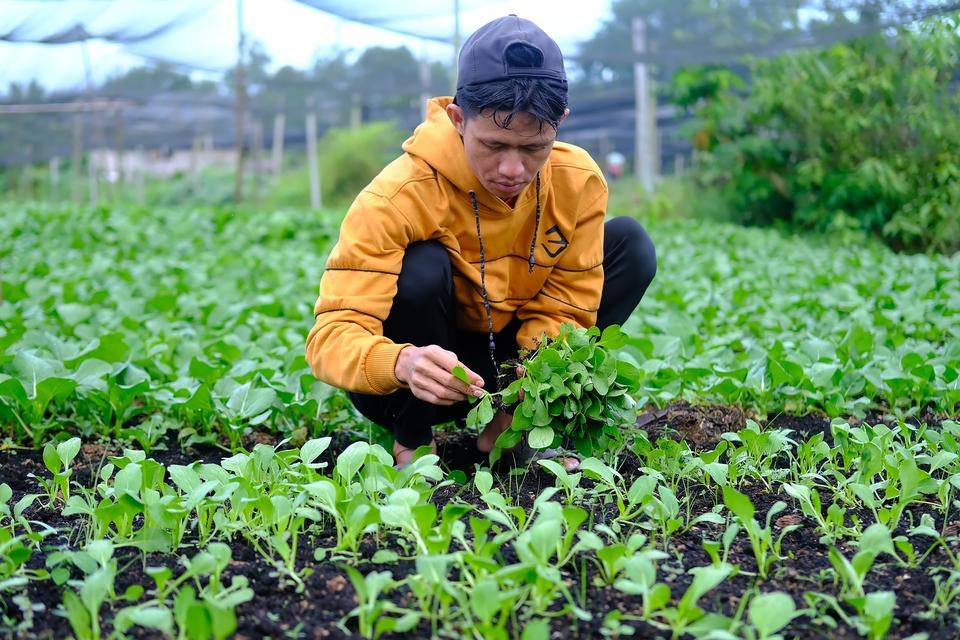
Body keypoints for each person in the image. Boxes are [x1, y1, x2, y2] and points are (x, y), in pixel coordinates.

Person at [305, 15, 657, 469]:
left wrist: (526, 395)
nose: (512, 169)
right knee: (423, 265)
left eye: (534, 148)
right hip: (415, 380)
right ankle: (413, 439)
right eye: (493, 145)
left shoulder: (578, 183)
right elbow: (332, 336)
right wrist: (402, 362)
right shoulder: (396, 196)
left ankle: (510, 430)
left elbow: (568, 309)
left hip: (506, 367)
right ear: (457, 119)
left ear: (559, 124)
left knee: (631, 244)